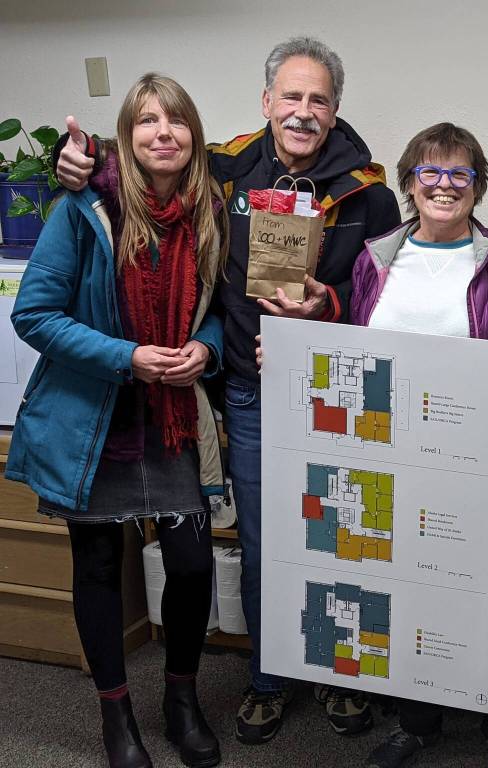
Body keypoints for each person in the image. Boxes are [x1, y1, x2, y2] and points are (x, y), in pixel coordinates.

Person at [57, 37, 402, 745]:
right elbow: (149, 161)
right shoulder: (227, 169)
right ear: (267, 101)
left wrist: (327, 307)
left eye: (319, 101)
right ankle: (270, 678)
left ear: (335, 111)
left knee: (344, 542)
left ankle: (340, 679)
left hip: (341, 394)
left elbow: (386, 296)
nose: (303, 112)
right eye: (292, 97)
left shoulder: (370, 192)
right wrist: (84, 156)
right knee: (264, 539)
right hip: (249, 390)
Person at [7, 73, 227, 768]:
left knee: (192, 566)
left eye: (177, 120)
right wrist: (127, 356)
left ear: (194, 134)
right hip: (94, 420)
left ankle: (182, 699)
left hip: (173, 420)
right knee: (98, 566)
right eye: (147, 120)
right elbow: (33, 315)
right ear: (125, 138)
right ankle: (116, 717)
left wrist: (208, 346)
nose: (164, 132)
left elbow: (218, 306)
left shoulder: (209, 210)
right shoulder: (83, 208)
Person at [348, 122, 488, 768]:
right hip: (397, 461)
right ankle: (417, 719)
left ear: (478, 185)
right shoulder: (375, 258)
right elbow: (355, 349)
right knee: (410, 591)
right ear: (410, 182)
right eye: (430, 173)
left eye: (459, 173)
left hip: (486, 464)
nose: (444, 185)